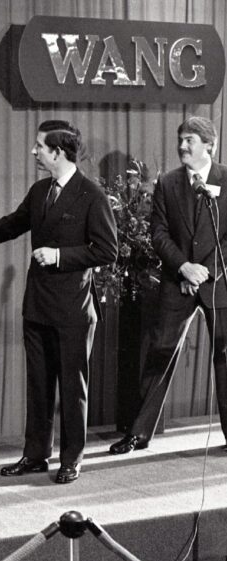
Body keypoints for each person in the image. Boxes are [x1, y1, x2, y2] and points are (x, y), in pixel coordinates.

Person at [0, 120, 117, 483]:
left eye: (40, 146)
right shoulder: (41, 190)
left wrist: (58, 257)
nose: (34, 151)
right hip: (37, 306)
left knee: (72, 389)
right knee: (38, 385)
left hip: (73, 310)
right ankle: (36, 455)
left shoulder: (91, 195)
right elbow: (11, 224)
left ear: (58, 153)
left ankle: (72, 459)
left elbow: (107, 250)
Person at [110, 116, 227, 455]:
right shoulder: (168, 183)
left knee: (225, 355)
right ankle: (139, 433)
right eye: (180, 139)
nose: (182, 146)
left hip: (217, 281)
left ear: (210, 145)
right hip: (178, 281)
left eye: (189, 140)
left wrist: (205, 271)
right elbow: (158, 233)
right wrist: (184, 267)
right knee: (160, 352)